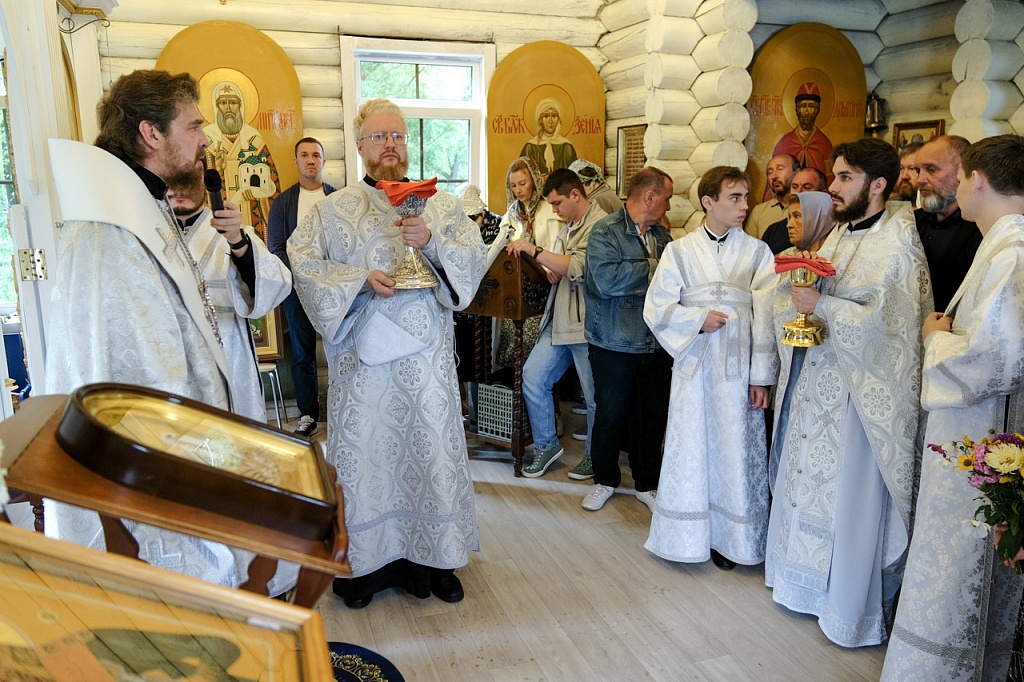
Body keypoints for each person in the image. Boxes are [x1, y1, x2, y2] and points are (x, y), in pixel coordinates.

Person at [44, 69, 262, 589]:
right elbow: (141, 368)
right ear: (151, 133)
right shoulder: (109, 230)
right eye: (193, 126)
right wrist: (202, 452)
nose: (205, 139)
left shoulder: (141, 207)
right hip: (157, 466)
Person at [287, 98, 487, 609]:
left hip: (427, 363)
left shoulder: (441, 206)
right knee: (370, 460)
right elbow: (301, 260)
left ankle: (437, 560)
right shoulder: (333, 209)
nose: (390, 145)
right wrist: (358, 280)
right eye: (379, 136)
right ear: (360, 146)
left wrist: (434, 241)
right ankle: (365, 568)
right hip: (364, 368)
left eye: (398, 136)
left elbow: (472, 260)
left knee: (429, 452)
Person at [765, 137, 932, 647]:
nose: (832, 188)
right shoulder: (838, 235)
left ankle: (844, 607)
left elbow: (892, 330)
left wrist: (823, 306)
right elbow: (806, 301)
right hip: (817, 387)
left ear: (877, 185)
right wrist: (794, 295)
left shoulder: (897, 246)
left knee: (848, 499)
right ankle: (800, 584)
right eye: (834, 175)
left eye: (844, 178)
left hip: (861, 404)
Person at [882, 134, 1024, 682]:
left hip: (982, 432)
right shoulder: (1001, 243)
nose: (959, 188)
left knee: (962, 561)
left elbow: (996, 359)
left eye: (960, 177)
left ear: (978, 180)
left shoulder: (1011, 251)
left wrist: (934, 338)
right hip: (971, 431)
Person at [643, 166, 778, 570]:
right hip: (695, 367)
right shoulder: (679, 251)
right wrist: (697, 319)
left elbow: (767, 317)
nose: (744, 205)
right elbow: (656, 308)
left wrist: (761, 378)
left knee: (735, 452)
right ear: (708, 202)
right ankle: (688, 537)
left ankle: (732, 541)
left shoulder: (758, 252)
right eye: (735, 197)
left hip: (739, 373)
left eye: (746, 197)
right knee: (692, 446)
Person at [166, 166, 292, 423]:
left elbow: (276, 284)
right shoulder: (150, 232)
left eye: (187, 180)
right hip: (171, 358)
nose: (178, 190)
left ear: (203, 182)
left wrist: (238, 242)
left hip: (227, 355)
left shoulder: (234, 231)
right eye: (170, 181)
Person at [581, 167, 674, 513]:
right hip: (612, 343)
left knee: (652, 419)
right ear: (650, 197)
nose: (668, 205)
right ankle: (605, 480)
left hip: (655, 343)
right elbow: (606, 282)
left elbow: (676, 282)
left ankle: (646, 484)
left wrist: (644, 274)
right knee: (611, 415)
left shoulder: (663, 237)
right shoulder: (604, 232)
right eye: (666, 198)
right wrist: (655, 268)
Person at [509, 168, 606, 479]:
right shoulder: (569, 226)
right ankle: (547, 445)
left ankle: (595, 455)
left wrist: (536, 250)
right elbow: (562, 266)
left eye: (557, 203)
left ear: (575, 195)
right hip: (559, 317)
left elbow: (578, 265)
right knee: (532, 377)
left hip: (585, 323)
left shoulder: (600, 225)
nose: (553, 210)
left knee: (594, 396)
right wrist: (551, 268)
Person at [267, 137, 337, 437]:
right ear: (296, 161)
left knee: (340, 349)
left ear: (323, 161)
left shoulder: (337, 199)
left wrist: (333, 276)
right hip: (297, 290)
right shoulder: (283, 203)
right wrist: (302, 276)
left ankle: (342, 409)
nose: (311, 160)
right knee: (302, 354)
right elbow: (276, 248)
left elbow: (347, 244)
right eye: (305, 155)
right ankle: (308, 415)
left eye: (316, 155)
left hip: (335, 289)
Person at [494, 156, 562, 371]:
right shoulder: (511, 214)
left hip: (547, 280)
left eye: (523, 183)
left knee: (535, 342)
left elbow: (559, 243)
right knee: (512, 343)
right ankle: (513, 380)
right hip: (517, 286)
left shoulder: (549, 208)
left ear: (534, 180)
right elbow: (502, 246)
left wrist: (551, 267)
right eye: (513, 185)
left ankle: (533, 376)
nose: (518, 190)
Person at [913, 135, 982, 313]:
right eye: (918, 170)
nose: (920, 179)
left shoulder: (981, 227)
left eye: (931, 169)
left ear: (962, 171)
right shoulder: (910, 222)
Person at [204, 81, 280, 239]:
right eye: (223, 103)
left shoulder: (254, 140)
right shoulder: (206, 139)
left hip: (251, 214)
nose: (228, 108)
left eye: (233, 103)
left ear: (241, 106)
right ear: (216, 106)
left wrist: (258, 190)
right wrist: (218, 170)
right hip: (218, 218)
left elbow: (272, 181)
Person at [771, 82, 834, 187]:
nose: (807, 111)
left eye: (811, 106)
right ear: (797, 110)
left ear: (817, 110)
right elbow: (775, 179)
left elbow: (830, 179)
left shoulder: (824, 143)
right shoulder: (786, 142)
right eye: (803, 106)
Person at [761, 167, 828, 255]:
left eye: (807, 187)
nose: (798, 192)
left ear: (823, 194)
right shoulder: (773, 231)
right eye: (794, 187)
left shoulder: (835, 234)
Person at [519, 97, 578, 177]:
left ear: (559, 119)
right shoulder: (530, 148)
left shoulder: (567, 148)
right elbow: (521, 177)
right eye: (546, 116)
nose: (550, 121)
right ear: (540, 120)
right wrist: (539, 180)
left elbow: (574, 179)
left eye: (554, 116)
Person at [747, 154, 799, 238]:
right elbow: (749, 244)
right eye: (770, 172)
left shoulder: (807, 209)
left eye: (780, 169)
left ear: (797, 173)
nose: (774, 176)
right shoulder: (759, 211)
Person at [895, 141, 923, 205]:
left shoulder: (937, 210)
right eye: (901, 168)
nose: (904, 176)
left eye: (912, 169)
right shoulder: (890, 207)